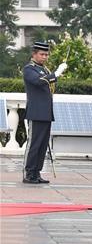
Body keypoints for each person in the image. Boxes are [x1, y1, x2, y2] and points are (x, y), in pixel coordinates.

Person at [22, 40, 67, 184]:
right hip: (36, 112)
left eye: (46, 54)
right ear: (34, 54)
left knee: (42, 145)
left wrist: (54, 74)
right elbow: (39, 81)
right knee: (34, 144)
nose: (45, 57)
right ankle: (28, 173)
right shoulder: (29, 69)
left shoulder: (45, 70)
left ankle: (36, 172)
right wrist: (57, 73)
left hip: (46, 112)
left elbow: (48, 84)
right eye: (42, 54)